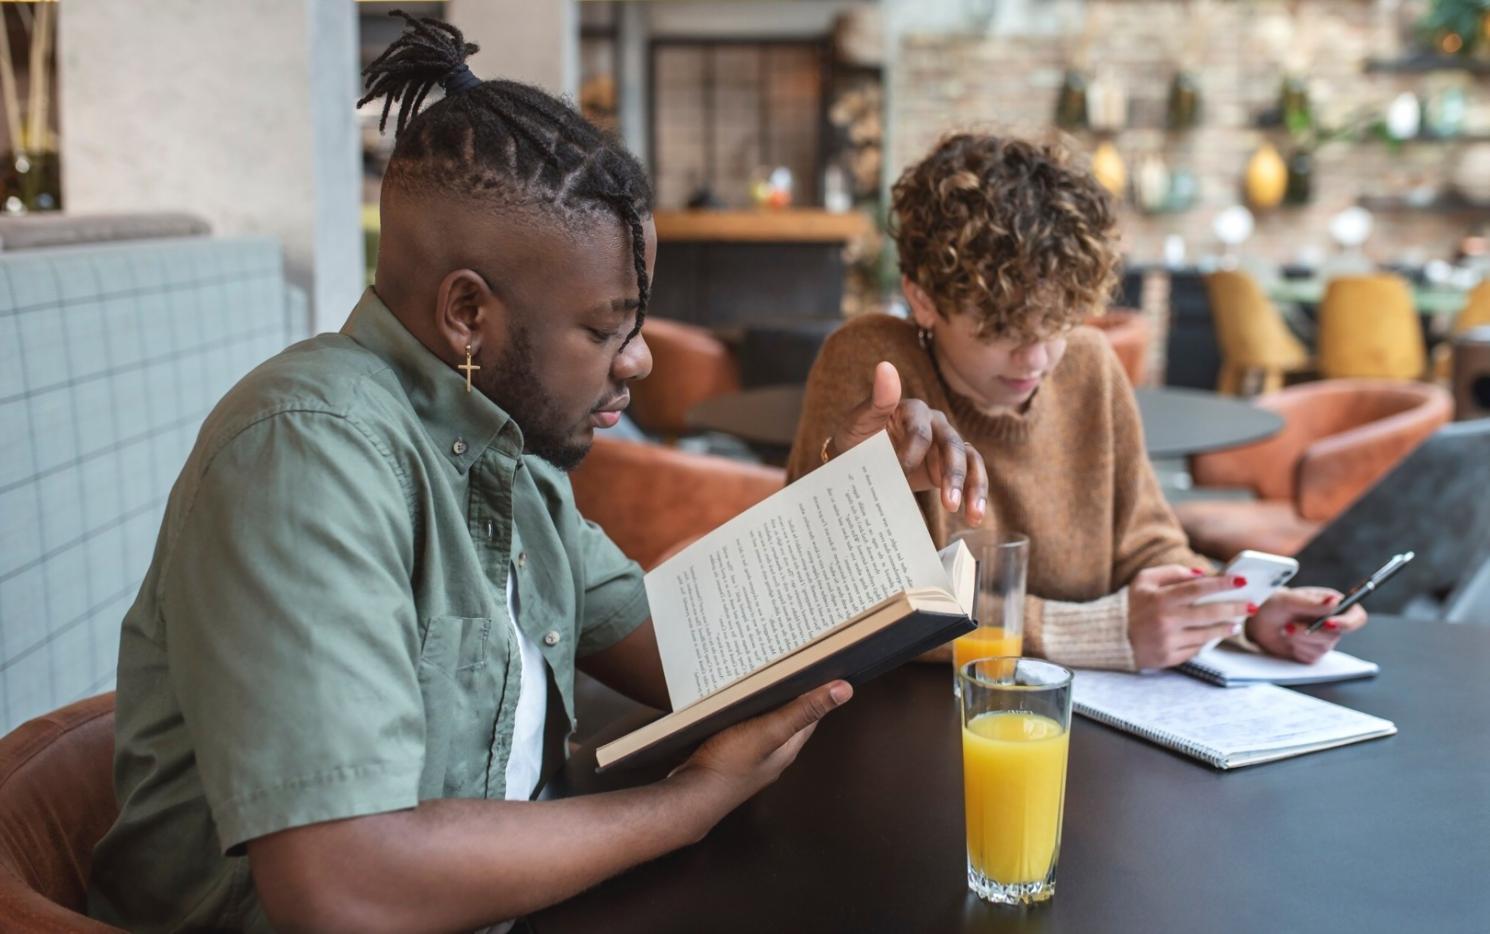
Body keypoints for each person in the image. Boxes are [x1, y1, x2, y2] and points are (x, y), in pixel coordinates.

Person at [82, 15, 983, 932]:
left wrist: (858, 486)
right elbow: (342, 885)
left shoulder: (510, 459)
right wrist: (685, 805)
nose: (637, 362)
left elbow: (699, 653)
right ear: (468, 312)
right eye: (604, 329)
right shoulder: (305, 453)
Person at [786, 132, 1365, 672]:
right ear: (923, 299)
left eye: (1058, 324)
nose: (1036, 360)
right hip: (918, 728)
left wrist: (1241, 613)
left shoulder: (1090, 365)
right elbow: (856, 605)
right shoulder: (875, 362)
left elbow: (1146, 545)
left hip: (1078, 726)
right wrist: (1104, 633)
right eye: (1004, 331)